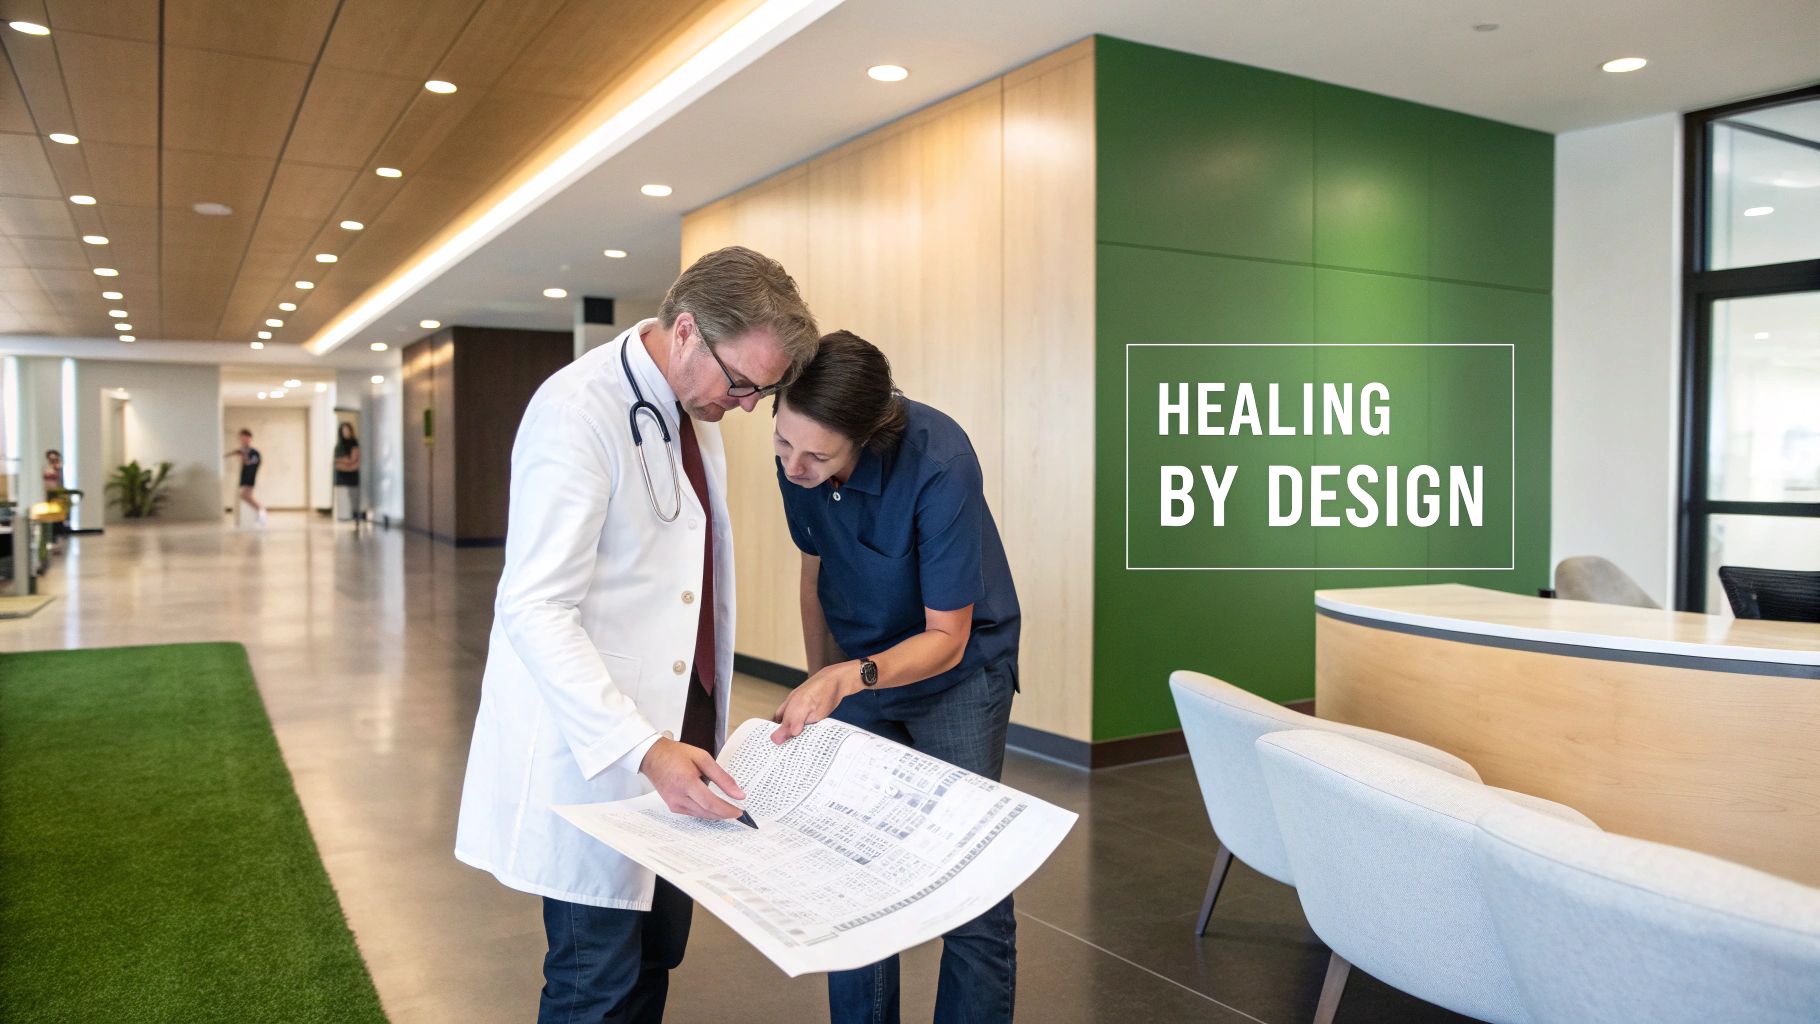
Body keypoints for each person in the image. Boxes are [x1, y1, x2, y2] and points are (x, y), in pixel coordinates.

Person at [455, 246, 820, 1024]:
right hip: (604, 757)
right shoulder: (576, 411)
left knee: (653, 963)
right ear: (686, 331)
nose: (747, 406)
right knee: (597, 983)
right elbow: (534, 606)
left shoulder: (694, 409)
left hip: (678, 744)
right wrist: (646, 749)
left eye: (762, 390)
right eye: (742, 383)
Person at [769, 331, 1022, 1024]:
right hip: (858, 667)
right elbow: (816, 569)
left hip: (958, 674)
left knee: (968, 882)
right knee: (849, 875)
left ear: (867, 437)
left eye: (818, 456)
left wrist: (847, 676)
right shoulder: (800, 457)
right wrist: (819, 682)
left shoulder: (941, 463)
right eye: (783, 443)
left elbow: (947, 637)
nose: (794, 466)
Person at [225, 429, 265, 526]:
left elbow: (252, 464)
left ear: (249, 438)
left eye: (243, 437)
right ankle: (258, 512)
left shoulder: (254, 452)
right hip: (244, 477)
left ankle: (261, 511)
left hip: (249, 477)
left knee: (246, 495)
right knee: (243, 496)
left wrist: (245, 457)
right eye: (240, 437)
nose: (241, 439)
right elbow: (236, 452)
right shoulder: (243, 450)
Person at [332, 422, 361, 523]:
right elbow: (336, 462)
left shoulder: (354, 443)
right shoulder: (339, 446)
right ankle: (344, 516)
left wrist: (343, 462)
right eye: (343, 430)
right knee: (343, 497)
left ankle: (354, 516)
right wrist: (343, 461)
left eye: (347, 430)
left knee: (353, 497)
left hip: (352, 476)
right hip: (341, 477)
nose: (345, 432)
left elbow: (353, 461)